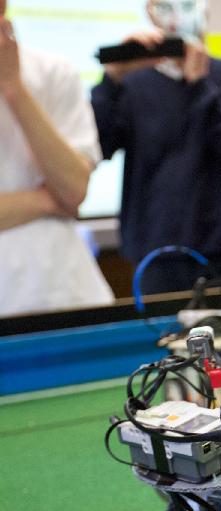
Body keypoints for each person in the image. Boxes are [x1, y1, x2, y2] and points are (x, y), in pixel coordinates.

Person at [91, 0, 221, 294]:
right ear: (151, 12)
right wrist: (112, 79)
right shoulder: (135, 84)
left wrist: (199, 86)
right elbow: (96, 147)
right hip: (155, 255)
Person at [0, 1, 114, 317]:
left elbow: (74, 189)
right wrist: (48, 201)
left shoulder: (52, 71)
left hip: (67, 294)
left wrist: (14, 88)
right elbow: (64, 196)